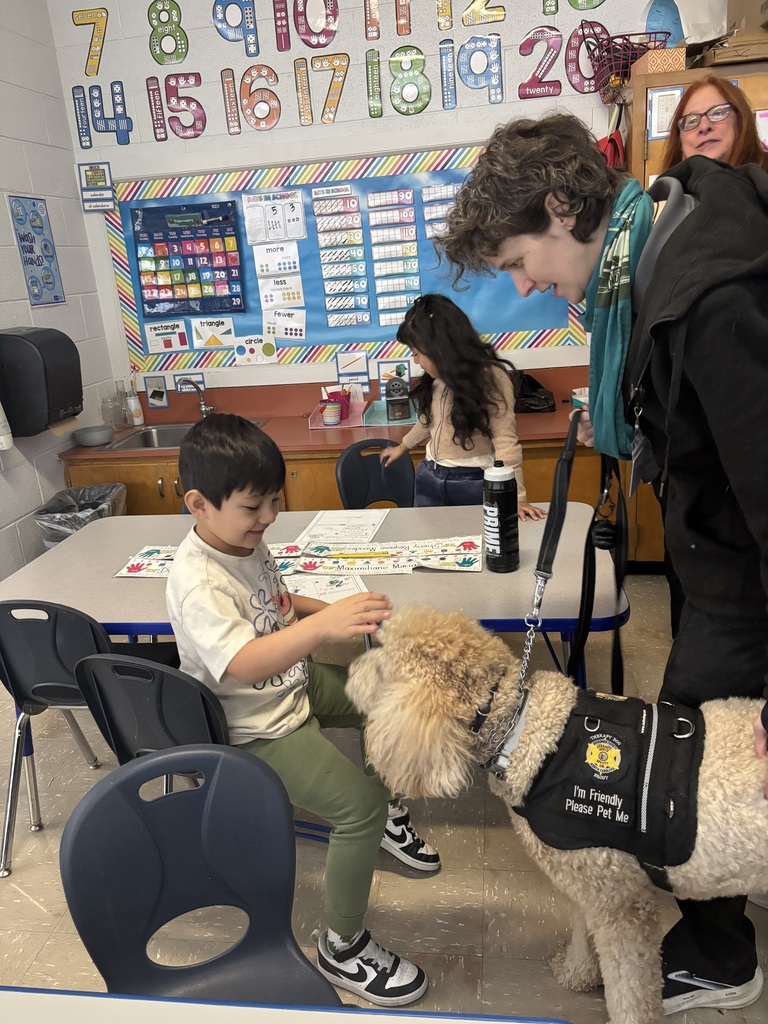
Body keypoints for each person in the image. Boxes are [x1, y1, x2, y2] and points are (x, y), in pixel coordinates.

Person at [434, 112, 768, 1015]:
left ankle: (719, 955)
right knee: (690, 750)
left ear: (560, 208)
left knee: (698, 771)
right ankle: (716, 935)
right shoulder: (657, 240)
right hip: (714, 563)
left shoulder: (706, 291)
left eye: (517, 260)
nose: (526, 284)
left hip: (744, 581)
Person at [166, 413, 440, 1007]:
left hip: (291, 683)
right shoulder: (197, 581)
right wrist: (325, 628)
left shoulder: (245, 542)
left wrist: (344, 609)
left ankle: (386, 821)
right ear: (198, 504)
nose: (267, 519)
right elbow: (244, 663)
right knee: (357, 809)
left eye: (273, 502)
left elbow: (280, 604)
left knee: (385, 698)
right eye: (252, 507)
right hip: (255, 723)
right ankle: (342, 948)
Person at [380, 293, 546, 519]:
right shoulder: (438, 379)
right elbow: (429, 419)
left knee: (474, 544)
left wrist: (517, 497)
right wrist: (403, 446)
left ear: (441, 349)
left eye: (417, 354)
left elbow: (506, 441)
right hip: (430, 476)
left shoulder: (491, 378)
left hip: (472, 482)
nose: (416, 361)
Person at [661, 75, 768, 172]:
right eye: (692, 121)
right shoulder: (667, 191)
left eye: (717, 113)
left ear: (741, 121)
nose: (704, 126)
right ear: (680, 143)